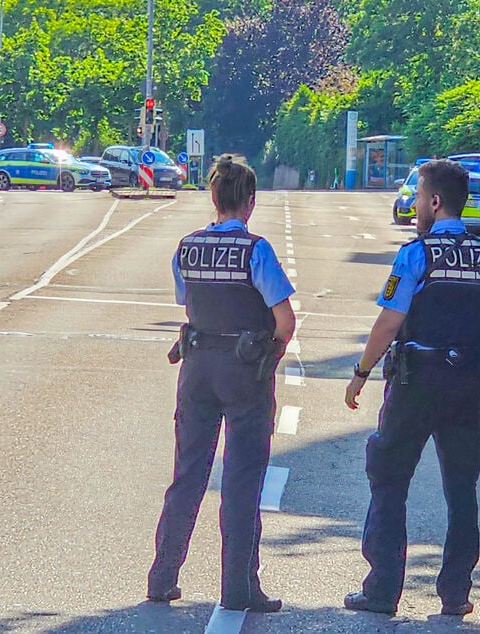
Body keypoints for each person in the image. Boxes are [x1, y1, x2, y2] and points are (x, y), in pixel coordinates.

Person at [342, 159, 480, 616]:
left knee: (388, 480)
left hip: (415, 384)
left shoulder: (416, 255)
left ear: (435, 201)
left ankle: (383, 592)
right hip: (468, 388)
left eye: (420, 196)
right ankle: (456, 593)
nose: (417, 205)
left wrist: (362, 371)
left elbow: (389, 321)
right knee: (462, 488)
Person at [147, 154, 296, 613]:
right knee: (242, 478)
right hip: (244, 370)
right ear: (250, 202)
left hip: (196, 368)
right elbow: (284, 321)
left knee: (188, 474)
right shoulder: (256, 250)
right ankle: (239, 587)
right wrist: (269, 353)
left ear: (213, 197)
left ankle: (163, 577)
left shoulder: (187, 246)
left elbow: (186, 300)